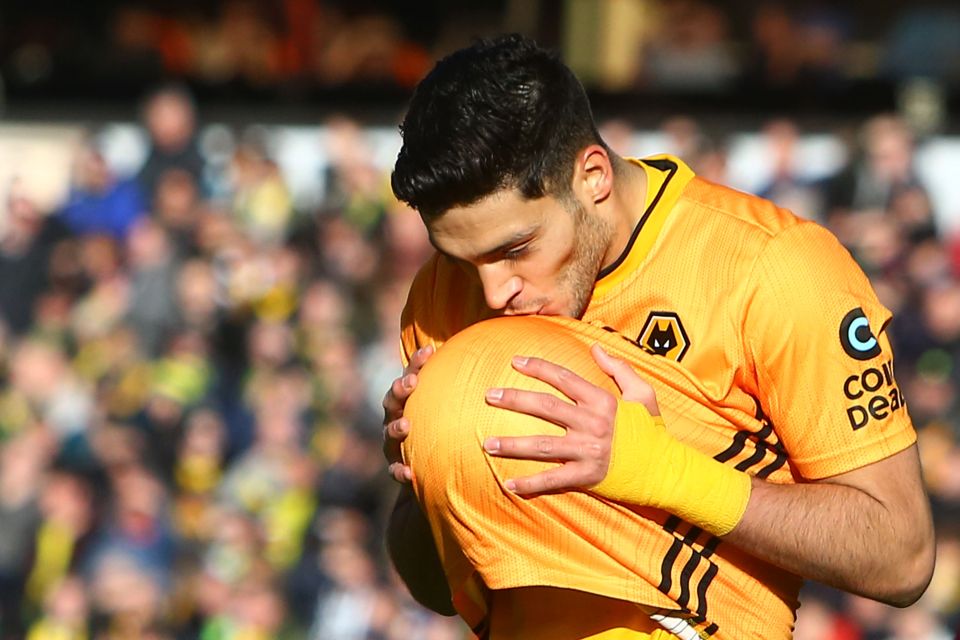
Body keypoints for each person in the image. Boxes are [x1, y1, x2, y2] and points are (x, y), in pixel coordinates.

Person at [382, 33, 934, 637]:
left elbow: (900, 556)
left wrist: (664, 471)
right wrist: (421, 471)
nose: (492, 293)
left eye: (516, 249)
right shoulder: (437, 297)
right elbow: (436, 588)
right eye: (462, 260)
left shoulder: (773, 267)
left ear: (591, 176)